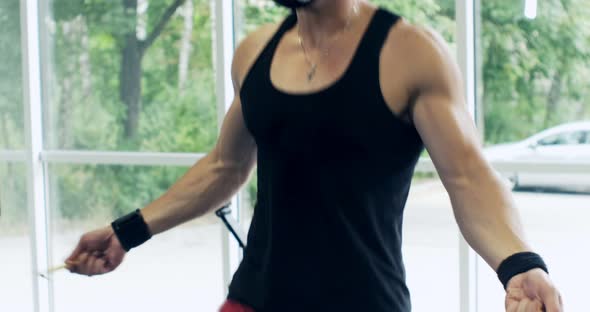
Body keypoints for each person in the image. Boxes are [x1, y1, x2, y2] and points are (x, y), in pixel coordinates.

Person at [65, 0, 564, 311]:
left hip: (365, 304)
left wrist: (519, 263)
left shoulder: (408, 52)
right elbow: (225, 166)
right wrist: (127, 230)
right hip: (253, 299)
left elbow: (469, 177)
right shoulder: (255, 52)